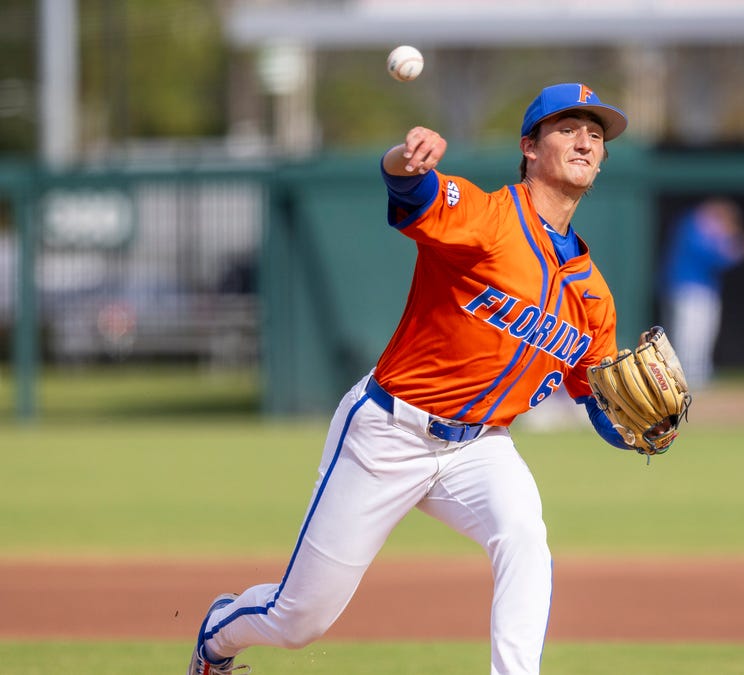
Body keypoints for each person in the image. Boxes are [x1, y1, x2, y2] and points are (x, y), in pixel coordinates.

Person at [188, 83, 640, 675]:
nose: (585, 140)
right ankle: (216, 639)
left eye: (597, 134)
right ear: (529, 147)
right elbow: (411, 189)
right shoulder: (486, 218)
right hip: (387, 431)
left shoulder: (594, 296)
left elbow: (594, 397)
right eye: (568, 128)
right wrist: (403, 159)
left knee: (525, 536)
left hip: (479, 447)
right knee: (299, 620)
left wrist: (636, 427)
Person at [660, 198, 744, 389]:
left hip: (702, 288)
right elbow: (715, 257)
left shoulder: (702, 227)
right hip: (688, 288)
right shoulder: (693, 225)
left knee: (702, 333)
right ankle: (685, 377)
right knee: (689, 334)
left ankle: (696, 376)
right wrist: (736, 250)